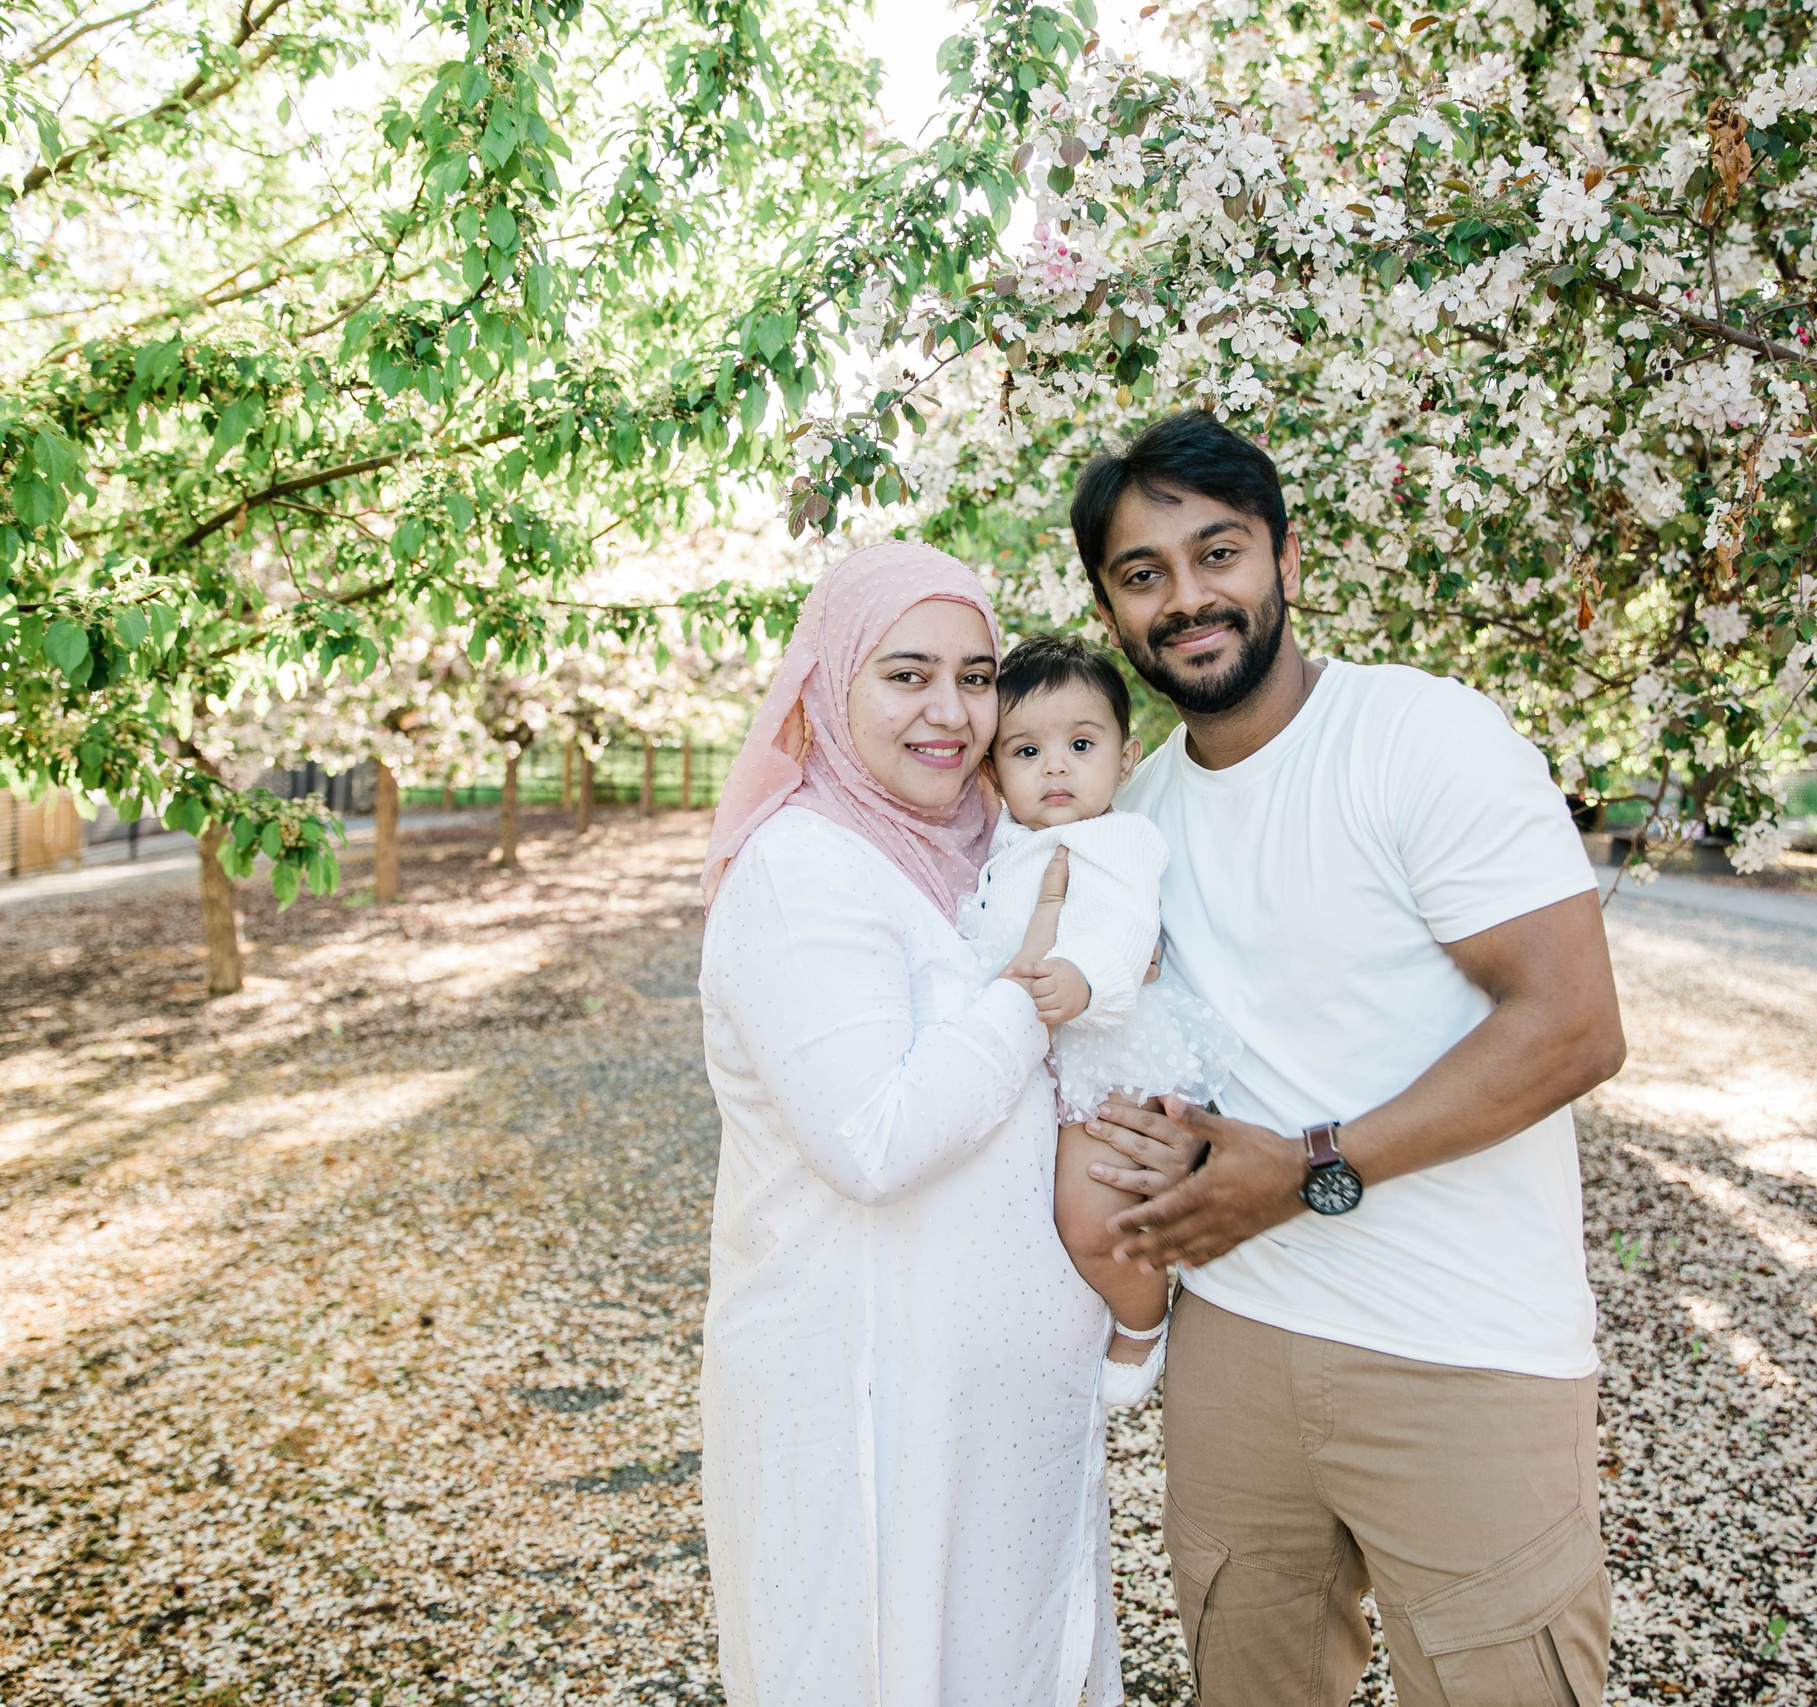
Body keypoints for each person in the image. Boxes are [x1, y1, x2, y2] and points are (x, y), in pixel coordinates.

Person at [1070, 412, 1630, 1706]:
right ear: (1110, 606)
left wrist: (1312, 1165)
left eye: (1218, 552)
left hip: (1464, 1347)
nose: (1187, 596)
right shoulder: (1135, 816)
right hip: (1236, 1344)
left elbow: (1573, 1022)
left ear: (1286, 558)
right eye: (1143, 572)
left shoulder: (1422, 735)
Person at [695, 543, 1148, 1707]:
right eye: (906, 675)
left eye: (977, 675)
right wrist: (1023, 999)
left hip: (1005, 1412)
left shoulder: (982, 852)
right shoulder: (805, 872)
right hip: (870, 1403)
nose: (951, 713)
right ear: (829, 685)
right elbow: (874, 1142)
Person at [957, 632, 1239, 1409]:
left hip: (1100, 1046)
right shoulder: (1009, 843)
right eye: (1026, 750)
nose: (1055, 766)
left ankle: (1144, 1321)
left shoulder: (1118, 838)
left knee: (1086, 1216)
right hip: (1031, 1047)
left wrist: (1084, 978)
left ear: (1124, 758)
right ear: (991, 772)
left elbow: (1125, 926)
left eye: (1080, 744)